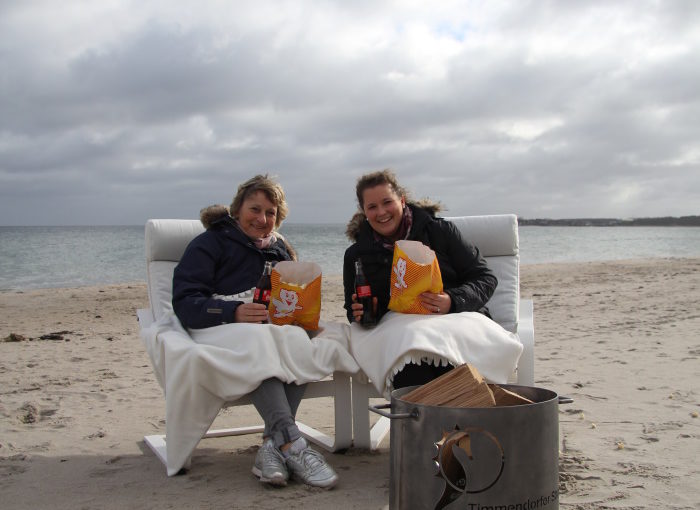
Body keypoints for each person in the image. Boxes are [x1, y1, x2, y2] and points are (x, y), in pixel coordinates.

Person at [172, 174, 338, 489]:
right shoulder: (210, 243)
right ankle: (293, 444)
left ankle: (271, 447)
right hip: (218, 326)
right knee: (262, 341)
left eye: (271, 213)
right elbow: (184, 301)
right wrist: (232, 311)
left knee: (302, 339)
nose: (262, 219)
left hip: (265, 328)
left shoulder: (280, 250)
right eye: (255, 209)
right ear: (238, 210)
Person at [343, 169, 498, 389]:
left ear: (402, 200)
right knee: (411, 365)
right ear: (364, 212)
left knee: (448, 361)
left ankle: (452, 420)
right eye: (372, 207)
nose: (381, 212)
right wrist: (366, 313)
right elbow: (352, 309)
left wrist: (452, 300)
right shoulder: (356, 255)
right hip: (403, 334)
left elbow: (486, 278)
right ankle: (425, 421)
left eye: (387, 202)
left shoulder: (440, 231)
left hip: (455, 322)